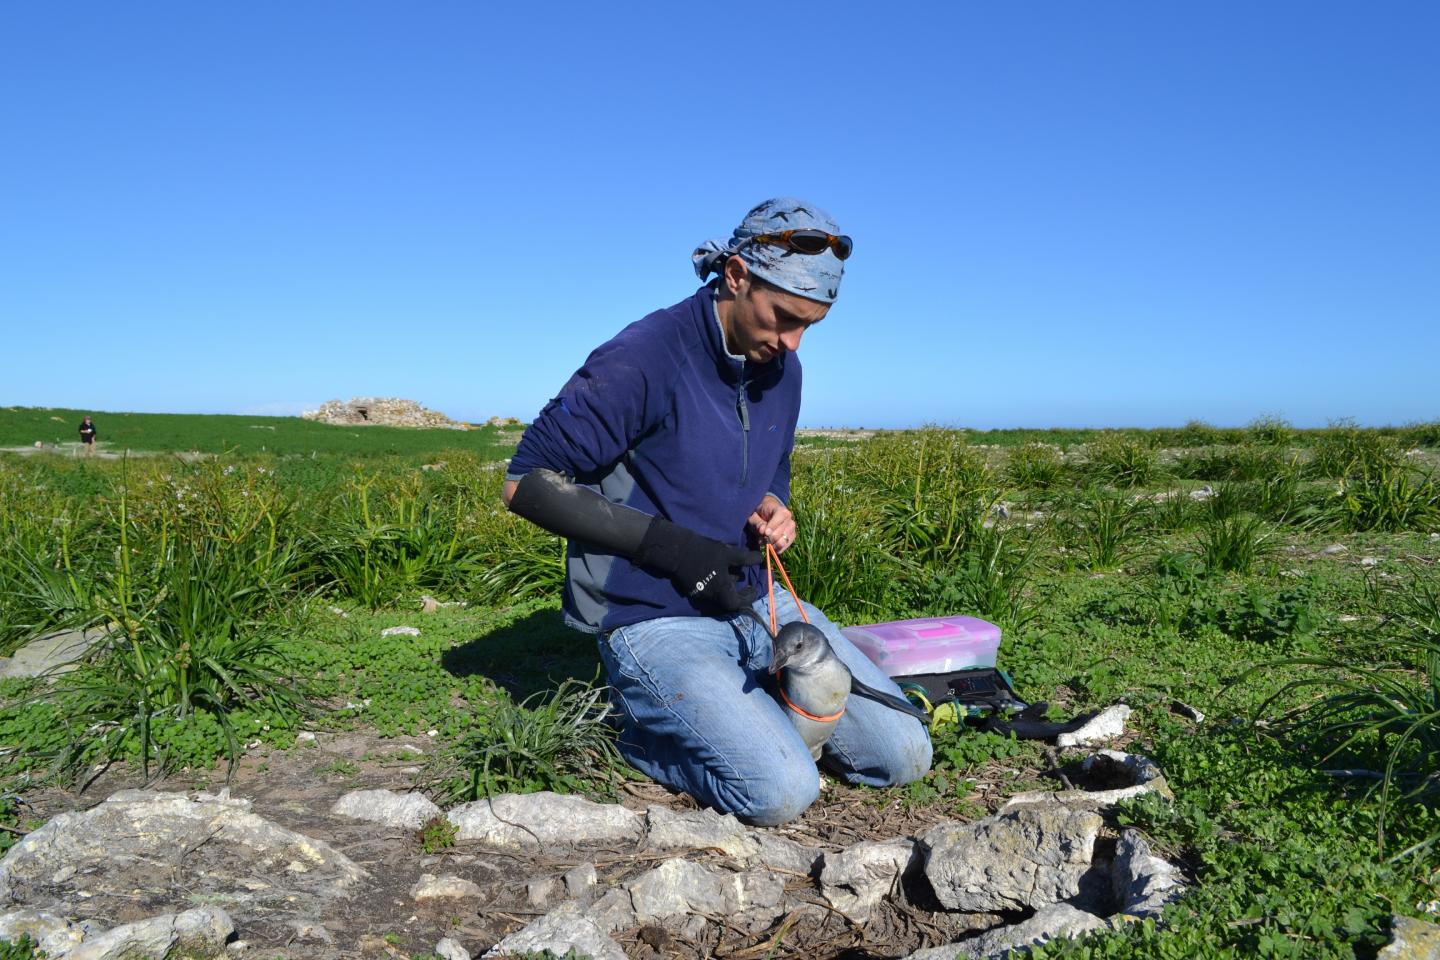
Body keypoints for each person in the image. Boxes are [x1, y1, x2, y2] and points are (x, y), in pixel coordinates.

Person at [501, 198, 932, 825]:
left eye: (811, 325)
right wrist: (672, 548)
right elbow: (526, 485)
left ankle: (756, 720)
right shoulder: (646, 354)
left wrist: (773, 502)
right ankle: (638, 733)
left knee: (902, 755)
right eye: (783, 317)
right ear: (735, 275)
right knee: (781, 792)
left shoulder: (781, 366)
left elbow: (772, 462)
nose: (791, 342)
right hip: (653, 617)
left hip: (755, 598)